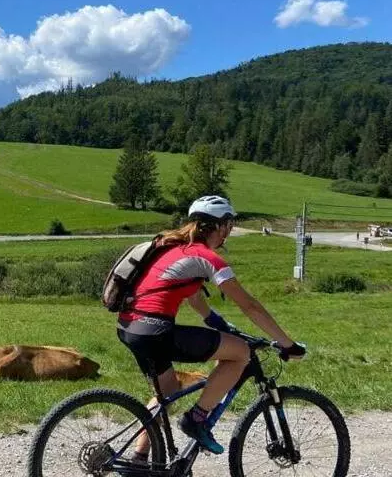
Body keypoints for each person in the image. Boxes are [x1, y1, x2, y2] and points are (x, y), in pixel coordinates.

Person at [117, 195, 306, 458]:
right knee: (241, 352)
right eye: (229, 224)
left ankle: (138, 459)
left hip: (130, 328)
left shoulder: (174, 250)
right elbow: (249, 306)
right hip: (155, 331)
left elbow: (194, 298)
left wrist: (219, 324)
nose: (230, 230)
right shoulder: (207, 257)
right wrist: (287, 343)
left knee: (168, 390)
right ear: (220, 226)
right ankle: (196, 419)